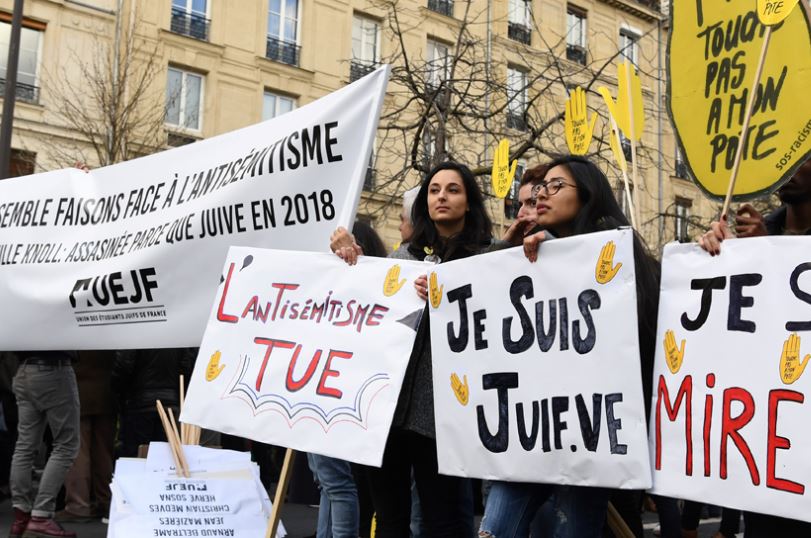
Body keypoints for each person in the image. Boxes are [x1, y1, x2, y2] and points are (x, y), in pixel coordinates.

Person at [479, 156, 662, 538]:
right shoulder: (531, 255)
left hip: (589, 435)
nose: (543, 194)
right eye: (541, 187)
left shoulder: (621, 257)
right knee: (495, 528)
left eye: (556, 186)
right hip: (529, 433)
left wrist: (567, 260)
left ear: (588, 195)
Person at [332, 161, 492, 536]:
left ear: (469, 202)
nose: (442, 197)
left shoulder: (489, 257)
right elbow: (365, 304)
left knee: (442, 518)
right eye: (434, 190)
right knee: (389, 519)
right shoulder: (402, 259)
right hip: (386, 412)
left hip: (443, 415)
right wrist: (349, 261)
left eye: (453, 190)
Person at [698, 157, 811, 538]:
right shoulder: (757, 233)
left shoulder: (766, 237)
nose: (784, 167)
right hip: (769, 450)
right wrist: (716, 256)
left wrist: (771, 254)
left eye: (800, 159)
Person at [307, 220, 386, 538]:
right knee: (327, 481)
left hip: (334, 391)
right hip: (326, 388)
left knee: (335, 482)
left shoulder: (357, 281)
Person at [9, 350, 80, 538]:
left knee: (25, 446)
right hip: (54, 368)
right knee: (66, 444)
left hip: (24, 369)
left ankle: (21, 516)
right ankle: (41, 516)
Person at [57, 351, 116, 523]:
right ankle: (105, 500)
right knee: (104, 452)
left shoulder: (76, 331)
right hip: (106, 393)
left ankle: (78, 505)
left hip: (78, 393)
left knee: (78, 452)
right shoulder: (109, 331)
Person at [112, 348, 195, 457]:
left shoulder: (135, 333)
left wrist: (120, 392)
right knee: (164, 455)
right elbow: (187, 364)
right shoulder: (178, 333)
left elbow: (124, 363)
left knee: (136, 456)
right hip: (170, 401)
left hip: (139, 402)